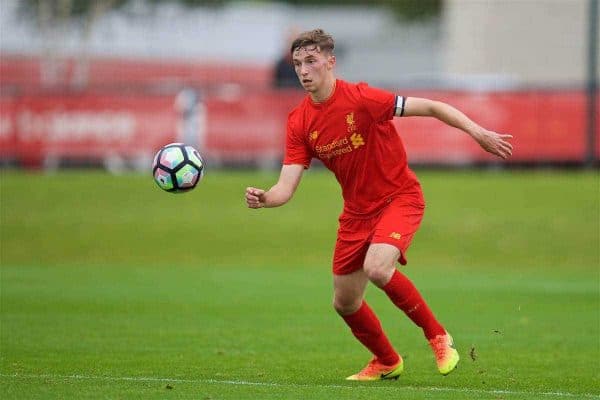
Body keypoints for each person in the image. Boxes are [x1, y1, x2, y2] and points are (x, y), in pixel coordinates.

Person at [245, 29, 513, 381]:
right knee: (345, 302)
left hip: (399, 198)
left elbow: (431, 107)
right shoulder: (299, 122)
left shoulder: (362, 98)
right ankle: (387, 360)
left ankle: (437, 335)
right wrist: (265, 198)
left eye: (311, 61)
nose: (303, 71)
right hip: (357, 214)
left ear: (330, 61)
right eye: (297, 64)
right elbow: (285, 187)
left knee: (377, 267)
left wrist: (478, 132)